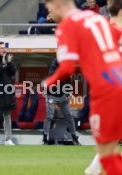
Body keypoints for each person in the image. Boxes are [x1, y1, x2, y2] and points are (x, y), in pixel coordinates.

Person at [43, 0, 122, 174]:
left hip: (106, 89)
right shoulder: (96, 17)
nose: (47, 11)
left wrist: (46, 83)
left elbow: (67, 68)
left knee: (107, 154)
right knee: (108, 149)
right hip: (119, 81)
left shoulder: (67, 25)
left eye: (48, 5)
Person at [85, 0, 122, 174]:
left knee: (113, 140)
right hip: (112, 91)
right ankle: (96, 168)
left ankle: (95, 168)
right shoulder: (109, 31)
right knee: (111, 140)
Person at [42, 58, 80, 145]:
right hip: (51, 94)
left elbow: (68, 80)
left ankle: (74, 138)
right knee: (49, 116)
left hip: (62, 95)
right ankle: (44, 138)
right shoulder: (54, 64)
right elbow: (53, 75)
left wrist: (69, 92)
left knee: (69, 115)